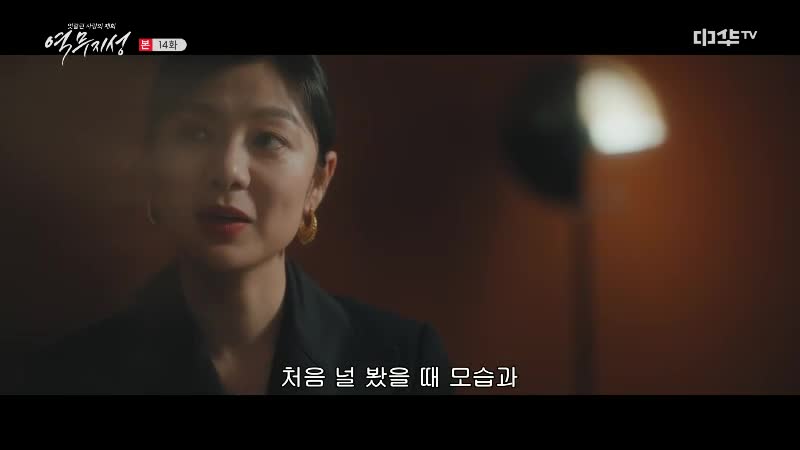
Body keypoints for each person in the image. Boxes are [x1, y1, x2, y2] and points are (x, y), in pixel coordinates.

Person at [17, 55, 453, 395]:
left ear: (318, 182)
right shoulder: (65, 377)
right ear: (152, 166)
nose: (229, 171)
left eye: (267, 139)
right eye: (196, 134)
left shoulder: (404, 361)